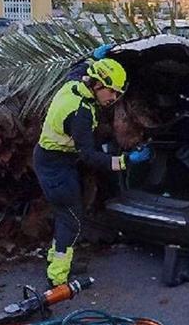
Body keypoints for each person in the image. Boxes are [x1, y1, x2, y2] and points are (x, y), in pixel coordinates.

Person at [34, 53, 150, 286]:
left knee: (65, 215)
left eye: (118, 93)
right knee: (72, 220)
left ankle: (56, 260)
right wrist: (125, 161)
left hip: (50, 160)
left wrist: (95, 55)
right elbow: (89, 156)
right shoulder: (81, 114)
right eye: (111, 91)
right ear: (97, 84)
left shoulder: (75, 84)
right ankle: (57, 277)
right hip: (56, 168)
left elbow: (78, 67)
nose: (114, 98)